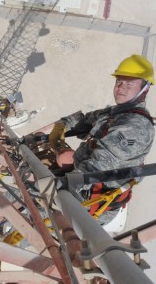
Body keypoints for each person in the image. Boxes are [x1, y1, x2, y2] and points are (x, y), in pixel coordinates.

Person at [48, 54, 155, 225]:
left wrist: (62, 187)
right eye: (119, 81)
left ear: (145, 89)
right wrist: (62, 125)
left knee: (33, 214)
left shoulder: (135, 126)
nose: (121, 87)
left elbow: (96, 168)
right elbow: (85, 119)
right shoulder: (116, 112)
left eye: (129, 83)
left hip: (93, 199)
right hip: (81, 178)